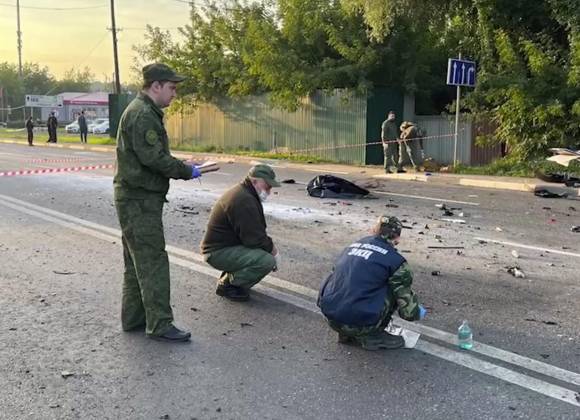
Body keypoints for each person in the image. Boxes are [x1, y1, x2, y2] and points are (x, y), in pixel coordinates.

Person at [113, 63, 202, 343]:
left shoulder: (142, 110)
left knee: (136, 262)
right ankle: (160, 324)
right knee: (153, 262)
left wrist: (183, 166)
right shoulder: (143, 115)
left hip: (134, 197)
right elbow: (154, 158)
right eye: (172, 88)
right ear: (156, 86)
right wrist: (187, 170)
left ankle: (134, 318)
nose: (174, 93)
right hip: (139, 200)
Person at [318, 216, 426, 350]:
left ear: (373, 230)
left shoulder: (350, 247)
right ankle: (372, 335)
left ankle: (346, 333)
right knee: (394, 286)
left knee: (347, 277)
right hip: (362, 324)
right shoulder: (396, 262)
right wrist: (417, 310)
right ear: (397, 239)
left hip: (332, 319)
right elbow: (408, 313)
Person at [201, 164, 280, 302]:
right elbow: (255, 239)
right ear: (254, 181)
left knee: (263, 252)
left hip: (224, 247)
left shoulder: (246, 192)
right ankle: (230, 286)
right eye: (267, 186)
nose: (269, 190)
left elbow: (254, 232)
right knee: (266, 261)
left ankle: (231, 276)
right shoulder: (244, 199)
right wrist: (274, 252)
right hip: (217, 252)